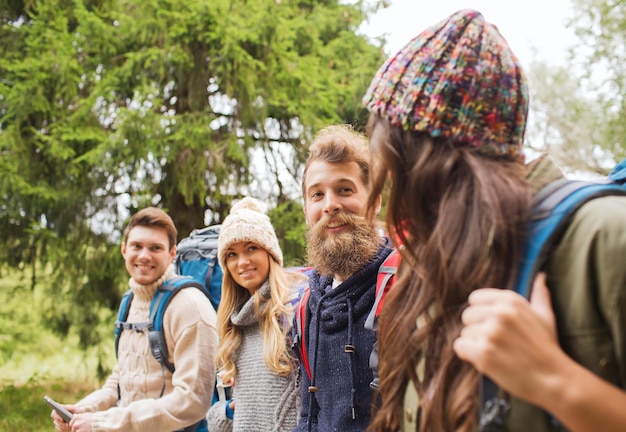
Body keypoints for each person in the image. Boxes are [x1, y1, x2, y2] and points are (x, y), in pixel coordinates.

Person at [361, 8, 626, 432]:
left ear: (430, 164)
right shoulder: (430, 262)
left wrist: (557, 383)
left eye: (391, 160)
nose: (387, 184)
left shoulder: (606, 237)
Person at [51, 207, 218, 432]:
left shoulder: (190, 306)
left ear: (172, 254)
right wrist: (84, 409)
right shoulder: (130, 301)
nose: (144, 255)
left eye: (155, 248)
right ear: (124, 250)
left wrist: (104, 423)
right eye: (136, 246)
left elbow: (193, 400)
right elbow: (123, 379)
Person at [294, 124, 394, 432]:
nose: (330, 205)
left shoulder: (405, 287)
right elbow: (309, 415)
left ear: (374, 200)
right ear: (307, 209)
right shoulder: (309, 303)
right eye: (317, 195)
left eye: (345, 190)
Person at [206, 197, 307, 432]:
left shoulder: (296, 308)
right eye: (232, 254)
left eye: (252, 248)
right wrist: (230, 410)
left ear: (270, 253)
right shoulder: (234, 323)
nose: (242, 262)